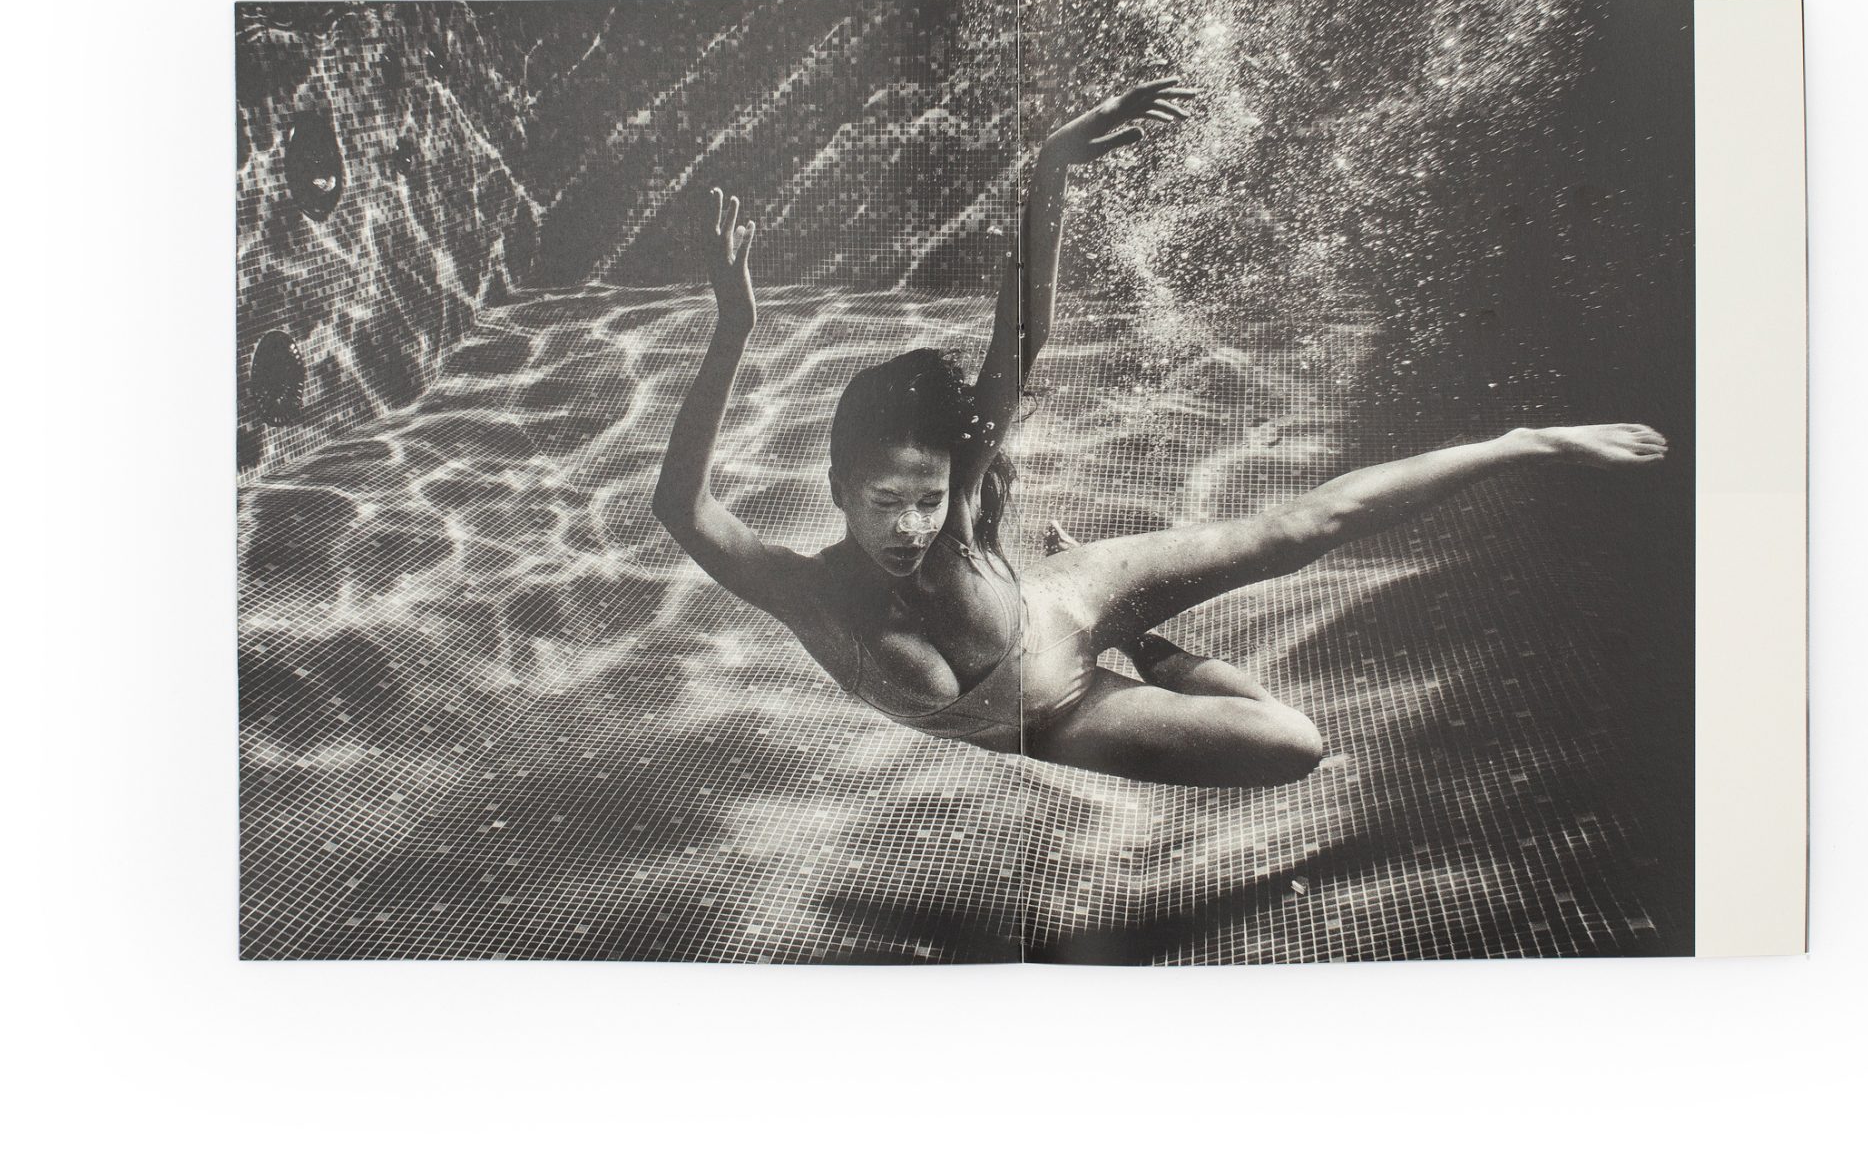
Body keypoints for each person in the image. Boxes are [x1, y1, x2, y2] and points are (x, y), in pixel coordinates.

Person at [652, 79, 1668, 788]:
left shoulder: (954, 516)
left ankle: (1519, 443)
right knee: (1292, 746)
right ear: (836, 488)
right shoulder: (803, 590)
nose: (914, 525)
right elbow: (681, 505)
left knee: (1300, 530)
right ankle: (1152, 649)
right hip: (1059, 714)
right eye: (886, 502)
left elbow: (1022, 335)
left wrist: (1049, 169)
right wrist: (733, 327)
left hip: (1065, 601)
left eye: (929, 498)